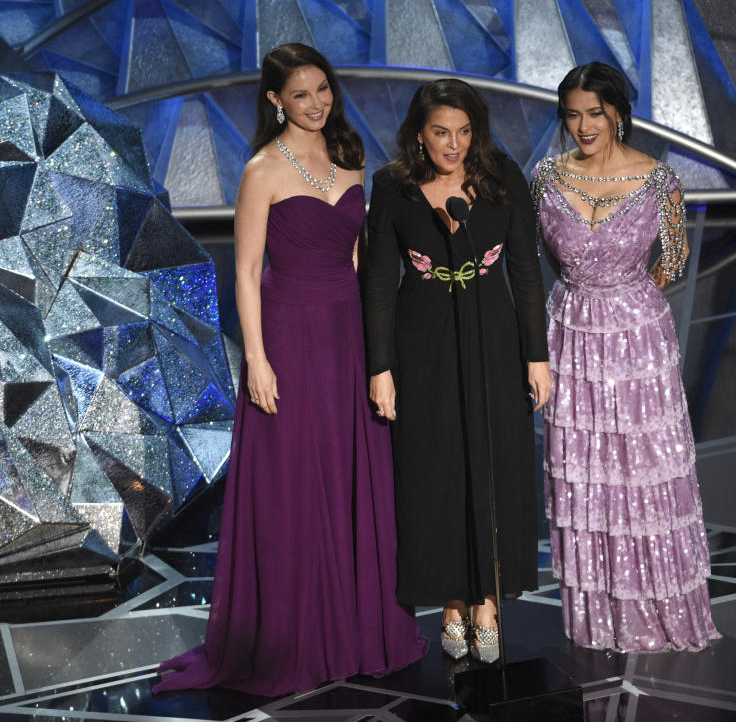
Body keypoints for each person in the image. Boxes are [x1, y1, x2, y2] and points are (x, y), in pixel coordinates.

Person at [153, 43, 427, 697]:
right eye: (301, 94)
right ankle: (294, 634)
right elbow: (245, 272)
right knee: (295, 482)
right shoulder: (260, 170)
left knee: (350, 474)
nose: (316, 103)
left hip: (348, 333)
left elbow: (362, 261)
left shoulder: (351, 157)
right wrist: (256, 359)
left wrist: (381, 344)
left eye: (322, 90)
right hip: (287, 334)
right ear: (276, 100)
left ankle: (357, 627)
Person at [531, 62, 720, 653]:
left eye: (595, 112)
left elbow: (674, 256)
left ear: (617, 110)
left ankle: (656, 606)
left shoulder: (659, 180)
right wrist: (585, 295)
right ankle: (597, 615)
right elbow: (537, 254)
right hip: (571, 334)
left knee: (640, 469)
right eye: (573, 115)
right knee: (584, 470)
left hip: (637, 341)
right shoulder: (544, 178)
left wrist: (625, 298)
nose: (584, 125)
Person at [364, 79, 551, 663]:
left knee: (493, 464)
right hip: (422, 344)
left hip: (492, 336)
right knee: (436, 469)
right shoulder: (393, 187)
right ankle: (450, 602)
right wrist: (381, 367)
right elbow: (378, 284)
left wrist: (536, 354)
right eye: (441, 132)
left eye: (464, 131)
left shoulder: (502, 177)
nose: (454, 144)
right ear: (419, 133)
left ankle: (488, 603)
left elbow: (524, 271)